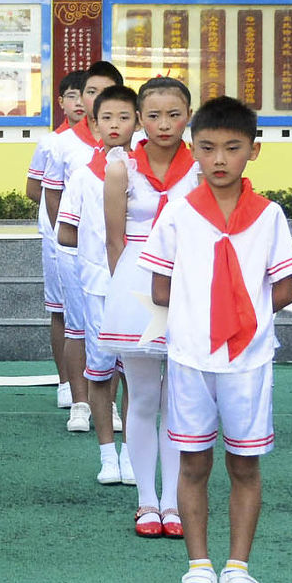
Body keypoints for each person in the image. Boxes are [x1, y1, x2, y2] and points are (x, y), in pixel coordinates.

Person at [142, 97, 292, 583]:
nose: (218, 160)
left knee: (245, 464)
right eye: (207, 148)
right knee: (193, 461)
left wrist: (241, 317)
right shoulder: (179, 213)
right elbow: (159, 286)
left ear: (253, 151)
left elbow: (284, 288)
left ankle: (238, 569)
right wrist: (202, 312)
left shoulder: (270, 215)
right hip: (190, 356)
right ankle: (197, 568)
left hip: (249, 360)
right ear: (193, 150)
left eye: (232, 149)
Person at [99, 76, 199, 537]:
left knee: (179, 400)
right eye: (154, 115)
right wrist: (129, 291)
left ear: (189, 116)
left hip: (191, 282)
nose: (164, 124)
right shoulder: (120, 166)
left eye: (174, 114)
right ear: (139, 117)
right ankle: (146, 501)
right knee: (141, 396)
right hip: (139, 280)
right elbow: (115, 240)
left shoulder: (201, 165)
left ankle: (175, 504)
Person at [59, 84, 139, 484]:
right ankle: (108, 455)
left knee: (137, 372)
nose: (115, 125)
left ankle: (133, 455)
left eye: (124, 117)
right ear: (92, 123)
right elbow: (65, 233)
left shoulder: (146, 174)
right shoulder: (83, 175)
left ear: (138, 121)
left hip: (141, 286)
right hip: (97, 284)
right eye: (106, 118)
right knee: (102, 369)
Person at [29, 69, 93, 415]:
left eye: (88, 94)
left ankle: (98, 392)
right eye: (73, 95)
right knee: (62, 311)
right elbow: (35, 189)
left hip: (97, 243)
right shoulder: (53, 142)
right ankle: (67, 383)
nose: (80, 102)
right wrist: (60, 228)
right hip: (59, 240)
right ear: (61, 102)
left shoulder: (114, 142)